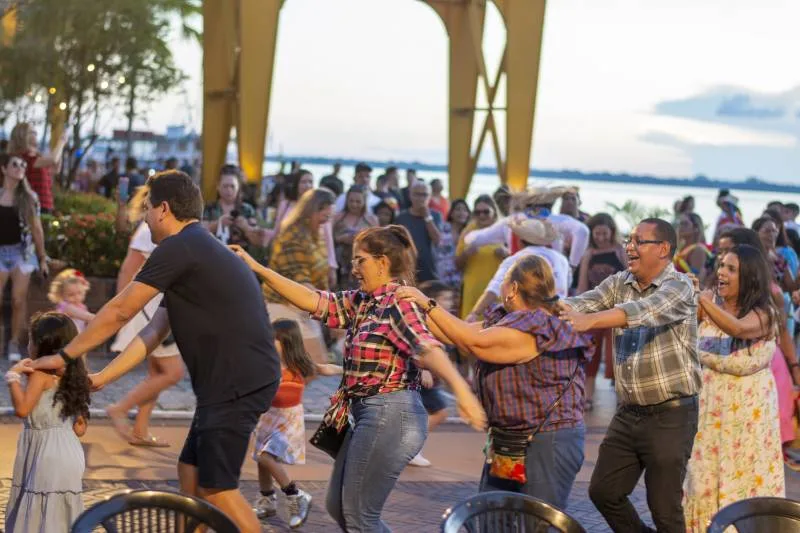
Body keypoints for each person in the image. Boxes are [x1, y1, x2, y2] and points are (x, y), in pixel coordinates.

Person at [26, 170, 281, 533]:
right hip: (230, 382)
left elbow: (119, 310)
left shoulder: (180, 247)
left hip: (237, 382)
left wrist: (65, 356)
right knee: (189, 471)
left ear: (163, 209)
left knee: (218, 488)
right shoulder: (193, 247)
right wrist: (101, 378)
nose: (144, 216)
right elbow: (153, 330)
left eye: (147, 208)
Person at [229, 225, 486, 532]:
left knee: (358, 515)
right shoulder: (363, 301)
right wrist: (258, 268)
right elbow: (312, 300)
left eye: (359, 260)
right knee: (339, 508)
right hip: (368, 414)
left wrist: (463, 393)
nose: (353, 267)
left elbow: (427, 348)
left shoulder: (398, 301)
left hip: (392, 414)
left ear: (383, 262)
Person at [397, 254, 591, 508]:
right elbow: (451, 333)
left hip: (548, 442)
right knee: (491, 517)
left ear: (512, 288)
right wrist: (407, 306)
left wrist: (426, 303)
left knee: (536, 524)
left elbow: (471, 341)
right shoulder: (508, 320)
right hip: (510, 441)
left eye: (501, 279)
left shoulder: (536, 325)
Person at [560, 217, 701, 533]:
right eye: (629, 240)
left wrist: (590, 320)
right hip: (629, 413)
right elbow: (578, 303)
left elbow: (643, 312)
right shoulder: (619, 283)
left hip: (671, 415)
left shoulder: (679, 286)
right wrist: (537, 306)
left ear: (663, 249)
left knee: (664, 509)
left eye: (639, 241)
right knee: (604, 492)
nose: (630, 247)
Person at [683, 245, 784, 531]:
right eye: (721, 266)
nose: (721, 272)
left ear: (749, 276)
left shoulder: (764, 314)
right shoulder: (708, 308)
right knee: (701, 481)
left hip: (748, 421)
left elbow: (737, 329)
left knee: (745, 485)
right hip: (709, 413)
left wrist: (704, 301)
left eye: (731, 269)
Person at [107, 188, 185, 447]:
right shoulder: (146, 232)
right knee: (173, 372)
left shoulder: (161, 230)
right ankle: (120, 408)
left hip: (155, 308)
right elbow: (128, 269)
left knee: (157, 371)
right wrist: (123, 310)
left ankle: (140, 430)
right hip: (149, 309)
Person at [253, 319, 343, 527]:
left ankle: (295, 494)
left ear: (286, 342)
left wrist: (346, 370)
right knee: (262, 461)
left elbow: (324, 368)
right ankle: (267, 500)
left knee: (266, 457)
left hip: (288, 420)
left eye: (273, 339)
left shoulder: (300, 366)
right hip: (268, 417)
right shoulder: (267, 365)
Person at [4, 312, 90, 533]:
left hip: (46, 455)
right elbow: (80, 428)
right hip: (70, 451)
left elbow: (23, 409)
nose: (28, 345)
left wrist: (12, 377)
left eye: (31, 340)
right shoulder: (75, 374)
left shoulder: (41, 374)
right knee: (60, 516)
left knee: (39, 517)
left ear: (40, 345)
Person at [264, 188, 335, 364]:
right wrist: (330, 310)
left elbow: (319, 274)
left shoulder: (315, 233)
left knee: (310, 365)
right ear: (312, 210)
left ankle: (282, 391)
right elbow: (300, 279)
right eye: (323, 215)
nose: (325, 222)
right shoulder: (293, 235)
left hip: (303, 305)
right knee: (314, 363)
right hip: (282, 304)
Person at [467, 216, 570, 321]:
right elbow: (566, 286)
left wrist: (475, 313)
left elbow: (493, 289)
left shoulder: (514, 259)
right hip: (560, 318)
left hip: (528, 321)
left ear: (520, 241)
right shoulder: (562, 259)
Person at [0, 154, 49, 361]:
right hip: (1, 251)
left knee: (19, 300)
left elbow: (37, 229)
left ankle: (13, 343)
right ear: (4, 169)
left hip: (23, 252)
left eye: (22, 165)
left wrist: (42, 257)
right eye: (15, 164)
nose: (20, 167)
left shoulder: (30, 198)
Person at [576, 213, 626, 409]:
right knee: (591, 355)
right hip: (594, 309)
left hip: (617, 309)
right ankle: (588, 396)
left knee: (617, 354)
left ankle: (622, 398)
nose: (601, 238)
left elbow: (630, 277)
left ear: (611, 232)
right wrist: (580, 307)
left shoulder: (620, 251)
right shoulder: (588, 253)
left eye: (604, 233)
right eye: (597, 233)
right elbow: (582, 285)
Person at [408, 280, 458, 468]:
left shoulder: (441, 320)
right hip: (420, 375)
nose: (450, 302)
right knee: (439, 413)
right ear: (432, 300)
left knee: (423, 414)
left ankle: (409, 447)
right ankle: (411, 448)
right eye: (445, 298)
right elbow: (416, 343)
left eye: (450, 298)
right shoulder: (425, 320)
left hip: (429, 378)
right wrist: (423, 369)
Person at [457, 195, 506, 318]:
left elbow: (521, 260)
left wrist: (506, 253)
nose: (481, 216)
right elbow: (457, 264)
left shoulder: (504, 229)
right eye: (477, 212)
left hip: (497, 292)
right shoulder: (469, 231)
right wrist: (466, 254)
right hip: (472, 291)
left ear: (494, 212)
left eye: (486, 212)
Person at [7, 122, 66, 214]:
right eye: (32, 133)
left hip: (45, 204)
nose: (36, 135)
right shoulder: (24, 158)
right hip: (33, 205)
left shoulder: (36, 157)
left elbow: (55, 169)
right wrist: (61, 142)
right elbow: (53, 159)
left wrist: (60, 150)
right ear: (23, 136)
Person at [203, 164, 262, 251]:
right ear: (218, 187)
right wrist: (217, 224)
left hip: (241, 260)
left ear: (238, 187)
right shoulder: (209, 208)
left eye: (232, 186)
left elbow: (258, 242)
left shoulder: (247, 210)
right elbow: (199, 233)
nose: (229, 190)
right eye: (225, 186)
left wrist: (245, 227)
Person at [395, 181, 442, 282]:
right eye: (417, 194)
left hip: (429, 270)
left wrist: (427, 217)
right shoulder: (401, 217)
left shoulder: (435, 215)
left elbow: (437, 240)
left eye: (424, 195)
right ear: (410, 195)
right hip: (407, 270)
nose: (421, 198)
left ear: (429, 197)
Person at [333, 185, 377, 289]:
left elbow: (377, 245)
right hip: (339, 266)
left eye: (358, 201)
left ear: (364, 202)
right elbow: (328, 241)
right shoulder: (337, 217)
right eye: (351, 201)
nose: (354, 204)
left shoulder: (371, 220)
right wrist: (341, 239)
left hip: (362, 269)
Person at [48, 269, 94, 333]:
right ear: (61, 294)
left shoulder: (82, 307)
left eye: (79, 293)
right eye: (71, 295)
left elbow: (86, 324)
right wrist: (102, 317)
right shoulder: (66, 306)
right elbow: (87, 316)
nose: (76, 297)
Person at [675, 212, 712, 287]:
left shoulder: (698, 250)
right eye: (680, 224)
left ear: (696, 228)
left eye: (685, 224)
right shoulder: (680, 249)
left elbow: (696, 280)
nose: (681, 227)